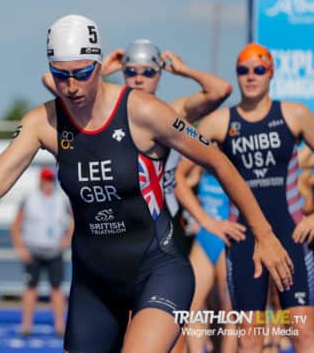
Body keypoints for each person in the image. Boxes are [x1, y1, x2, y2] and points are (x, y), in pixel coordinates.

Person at [0, 14, 293, 353]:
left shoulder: (143, 111)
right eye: (60, 76)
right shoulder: (43, 122)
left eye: (81, 74)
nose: (71, 87)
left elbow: (218, 161)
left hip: (158, 267)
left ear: (99, 65)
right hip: (94, 282)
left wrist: (265, 234)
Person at [180, 43, 314, 352]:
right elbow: (178, 178)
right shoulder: (219, 123)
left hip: (289, 235)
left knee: (303, 330)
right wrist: (207, 222)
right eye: (243, 70)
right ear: (236, 75)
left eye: (259, 69)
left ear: (271, 73)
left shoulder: (294, 114)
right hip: (244, 240)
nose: (251, 76)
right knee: (249, 336)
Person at [44, 39, 234, 254]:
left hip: (166, 219)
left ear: (159, 74)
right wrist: (98, 72)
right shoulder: (104, 116)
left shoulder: (172, 113)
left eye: (148, 73)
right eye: (131, 72)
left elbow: (221, 89)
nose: (139, 79)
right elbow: (49, 79)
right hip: (120, 223)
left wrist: (184, 71)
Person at [174, 158, 239, 353]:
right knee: (190, 308)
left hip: (228, 236)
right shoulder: (204, 140)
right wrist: (203, 218)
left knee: (230, 316)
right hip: (205, 235)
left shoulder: (231, 140)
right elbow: (178, 177)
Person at [10, 166, 72, 338]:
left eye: (51, 180)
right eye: (46, 180)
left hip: (54, 251)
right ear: (40, 180)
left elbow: (74, 219)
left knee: (57, 288)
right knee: (31, 288)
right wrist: (20, 247)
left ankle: (60, 325)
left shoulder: (61, 199)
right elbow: (16, 224)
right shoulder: (30, 198)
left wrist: (68, 238)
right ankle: (26, 325)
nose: (48, 183)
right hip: (33, 250)